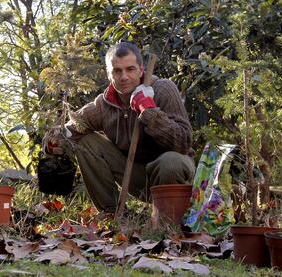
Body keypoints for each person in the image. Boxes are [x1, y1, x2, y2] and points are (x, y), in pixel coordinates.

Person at [44, 42, 195, 213]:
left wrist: (149, 111)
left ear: (140, 69)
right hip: (135, 177)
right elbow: (73, 127)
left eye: (130, 69)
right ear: (109, 74)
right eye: (117, 71)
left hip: (172, 175)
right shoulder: (104, 104)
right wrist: (54, 142)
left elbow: (183, 142)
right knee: (87, 142)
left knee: (171, 162)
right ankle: (113, 215)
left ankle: (168, 222)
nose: (124, 77)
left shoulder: (163, 89)